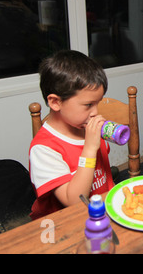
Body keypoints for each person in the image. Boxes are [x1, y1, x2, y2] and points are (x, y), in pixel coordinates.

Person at [28, 50, 114, 219]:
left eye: (98, 103)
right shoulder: (44, 149)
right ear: (55, 102)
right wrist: (89, 148)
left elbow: (105, 178)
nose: (95, 112)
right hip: (65, 224)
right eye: (88, 105)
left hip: (101, 212)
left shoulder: (85, 127)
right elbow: (75, 201)